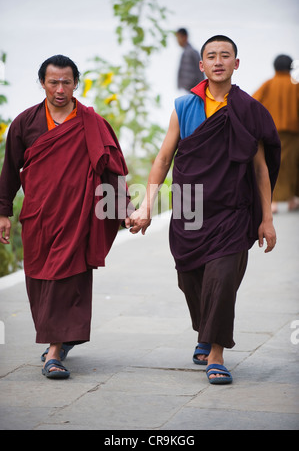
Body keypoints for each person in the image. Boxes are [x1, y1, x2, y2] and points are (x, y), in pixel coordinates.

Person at [126, 35, 281, 385]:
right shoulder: (184, 106)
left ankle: (216, 354)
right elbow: (164, 157)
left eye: (226, 55)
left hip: (232, 210)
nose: (218, 61)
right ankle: (205, 332)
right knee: (190, 279)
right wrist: (147, 205)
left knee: (223, 280)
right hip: (190, 209)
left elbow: (260, 168)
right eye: (211, 56)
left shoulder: (247, 110)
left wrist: (266, 219)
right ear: (202, 65)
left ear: (236, 64)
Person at [0, 55, 131, 379]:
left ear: (76, 83)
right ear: (42, 82)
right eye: (53, 82)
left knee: (66, 280)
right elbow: (9, 173)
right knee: (41, 282)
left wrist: (124, 210)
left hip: (79, 217)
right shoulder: (25, 123)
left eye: (67, 82)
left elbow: (111, 170)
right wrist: (3, 212)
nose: (60, 89)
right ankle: (62, 338)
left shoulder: (91, 122)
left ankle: (54, 352)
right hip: (39, 217)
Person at [253, 54, 299, 213]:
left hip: (270, 132)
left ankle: (273, 202)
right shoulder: (295, 85)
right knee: (293, 166)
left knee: (274, 164)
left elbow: (253, 103)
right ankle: (292, 199)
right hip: (294, 133)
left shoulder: (268, 84)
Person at [176, 28, 205, 92]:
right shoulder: (190, 51)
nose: (177, 41)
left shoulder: (189, 52)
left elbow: (192, 73)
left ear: (185, 37)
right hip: (193, 90)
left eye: (178, 38)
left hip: (192, 90)